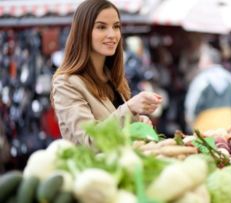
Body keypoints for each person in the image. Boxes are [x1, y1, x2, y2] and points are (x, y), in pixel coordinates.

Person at [51, 0, 162, 146]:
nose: (112, 34)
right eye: (101, 27)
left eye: (116, 26)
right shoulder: (65, 83)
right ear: (83, 31)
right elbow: (89, 140)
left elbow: (114, 124)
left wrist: (138, 121)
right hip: (92, 168)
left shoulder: (111, 77)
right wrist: (129, 108)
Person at [185, 44, 231, 132]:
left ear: (208, 61)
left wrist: (190, 121)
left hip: (205, 127)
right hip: (227, 125)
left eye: (201, 60)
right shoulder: (230, 78)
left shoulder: (201, 80)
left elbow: (192, 103)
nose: (199, 64)